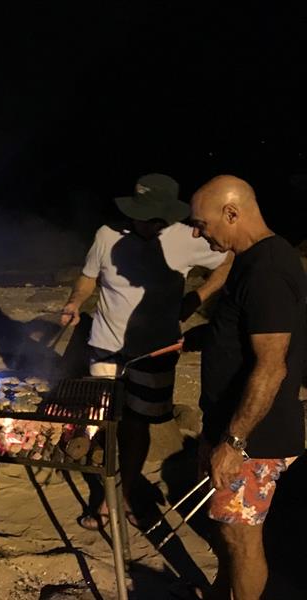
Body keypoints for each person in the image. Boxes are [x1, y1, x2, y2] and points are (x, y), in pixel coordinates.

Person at [60, 173, 232, 530]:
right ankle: (104, 495)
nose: (152, 224)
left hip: (156, 351)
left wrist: (197, 298)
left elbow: (229, 260)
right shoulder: (108, 235)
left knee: (137, 426)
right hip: (106, 348)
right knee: (105, 424)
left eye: (158, 217)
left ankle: (122, 495)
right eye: (145, 215)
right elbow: (90, 275)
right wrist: (76, 301)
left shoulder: (187, 237)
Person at [190, 175, 305, 600]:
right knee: (225, 526)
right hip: (231, 426)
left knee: (242, 538)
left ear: (232, 213)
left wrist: (235, 441)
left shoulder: (269, 271)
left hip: (255, 438)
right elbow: (246, 334)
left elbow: (272, 366)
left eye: (201, 223)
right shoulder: (251, 259)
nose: (196, 232)